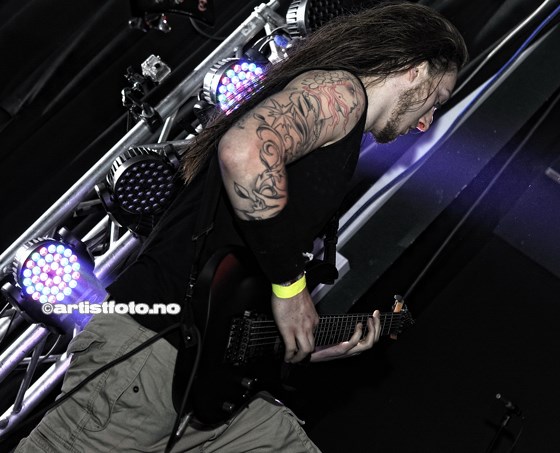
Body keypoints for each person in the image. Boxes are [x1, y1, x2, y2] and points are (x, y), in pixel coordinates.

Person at [16, 3, 468, 452]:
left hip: (207, 383)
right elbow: (244, 152)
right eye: (437, 100)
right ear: (416, 69)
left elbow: (242, 276)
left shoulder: (341, 132)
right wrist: (291, 289)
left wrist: (307, 342)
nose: (426, 122)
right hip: (151, 351)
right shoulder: (341, 94)